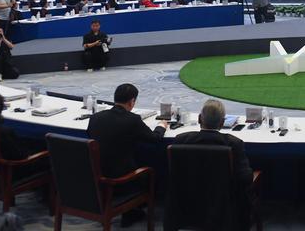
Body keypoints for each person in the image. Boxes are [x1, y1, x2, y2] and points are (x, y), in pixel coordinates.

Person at [87, 84, 167, 226]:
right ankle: (133, 210)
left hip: (95, 178)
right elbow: (154, 139)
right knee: (151, 172)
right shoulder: (132, 120)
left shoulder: (95, 118)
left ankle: (132, 210)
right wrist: (162, 126)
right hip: (120, 182)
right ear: (132, 101)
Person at [173, 99, 254, 228]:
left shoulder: (181, 140)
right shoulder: (233, 143)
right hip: (224, 207)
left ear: (199, 119)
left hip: (187, 203)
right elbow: (245, 178)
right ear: (222, 123)